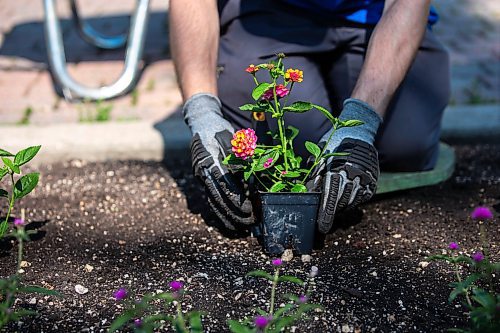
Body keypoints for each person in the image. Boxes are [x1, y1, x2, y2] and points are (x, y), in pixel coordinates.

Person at [169, 0, 450, 232]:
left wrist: (362, 120)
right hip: (269, 19)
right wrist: (203, 113)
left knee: (405, 146)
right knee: (291, 150)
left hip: (375, 18)